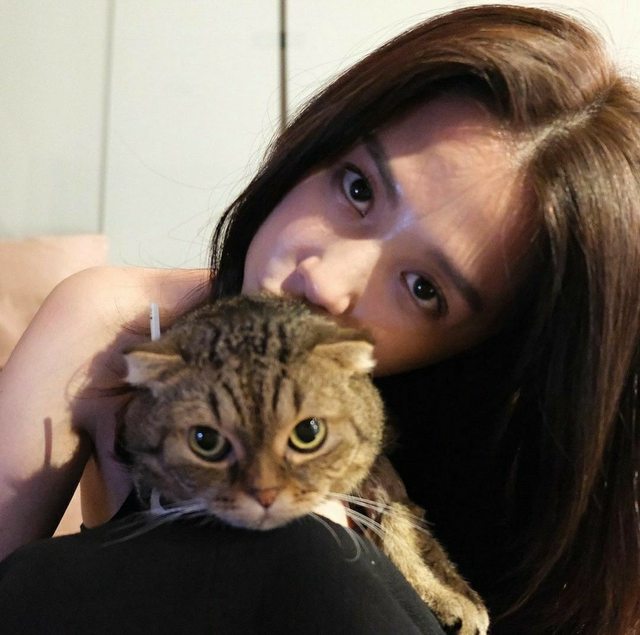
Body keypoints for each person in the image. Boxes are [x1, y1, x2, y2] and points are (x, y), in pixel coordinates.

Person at [0, 4, 638, 634]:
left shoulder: (517, 464)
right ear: (319, 141)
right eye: (358, 188)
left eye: (423, 288)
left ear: (485, 344)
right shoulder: (119, 328)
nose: (326, 282)